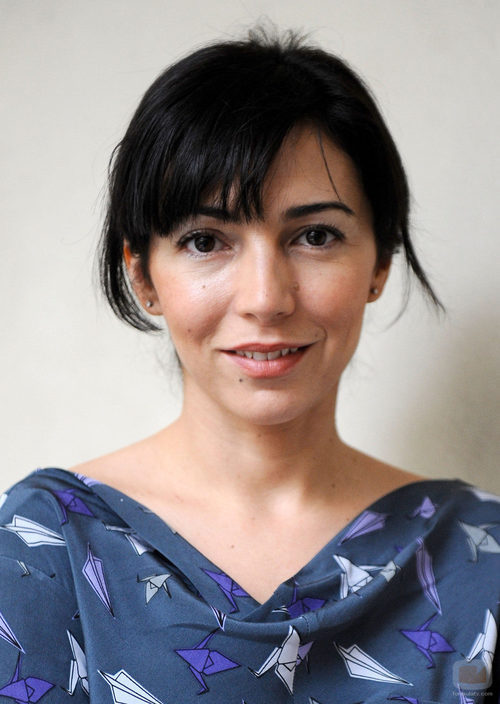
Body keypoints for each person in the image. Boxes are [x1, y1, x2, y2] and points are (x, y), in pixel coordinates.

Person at [0, 28, 498, 704]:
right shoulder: (40, 547)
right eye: (206, 241)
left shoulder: (481, 556)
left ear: (380, 262)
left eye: (315, 236)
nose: (266, 298)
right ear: (142, 275)